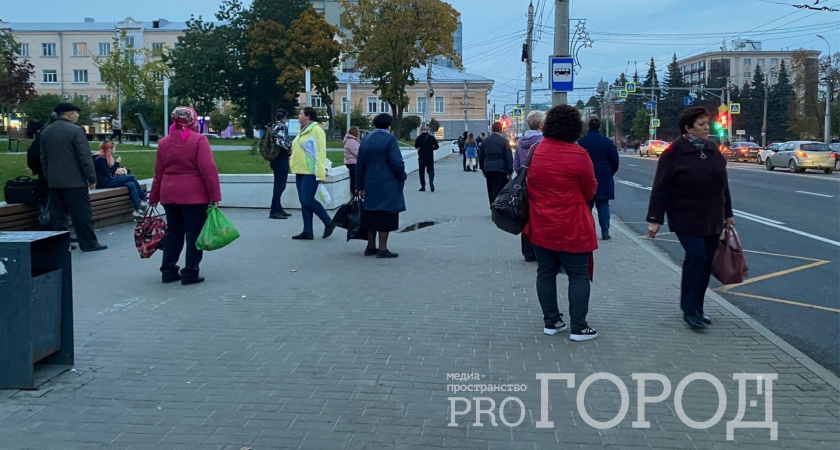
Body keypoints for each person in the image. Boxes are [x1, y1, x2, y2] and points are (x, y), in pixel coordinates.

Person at [647, 106, 735, 330]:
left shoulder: (712, 149)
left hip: (713, 216)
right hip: (685, 216)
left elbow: (723, 185)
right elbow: (660, 188)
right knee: (696, 257)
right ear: (688, 128)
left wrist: (728, 214)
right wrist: (655, 219)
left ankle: (698, 307)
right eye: (701, 124)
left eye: (707, 124)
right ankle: (688, 310)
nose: (707, 128)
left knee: (705, 263)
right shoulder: (673, 153)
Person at [523, 104, 599, 341]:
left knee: (545, 272)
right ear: (576, 127)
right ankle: (579, 327)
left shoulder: (535, 150)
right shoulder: (578, 155)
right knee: (578, 275)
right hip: (572, 225)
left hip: (540, 223)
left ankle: (551, 322)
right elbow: (590, 189)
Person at [149, 106, 221, 285]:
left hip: (169, 193)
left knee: (173, 232)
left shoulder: (164, 142)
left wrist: (153, 197)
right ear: (192, 120)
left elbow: (158, 172)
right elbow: (208, 170)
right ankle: (190, 272)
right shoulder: (199, 140)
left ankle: (168, 271)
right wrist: (214, 196)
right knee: (194, 234)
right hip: (194, 195)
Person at [39, 102, 107, 252]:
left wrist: (49, 176)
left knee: (59, 216)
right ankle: (88, 243)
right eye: (76, 113)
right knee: (82, 214)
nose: (78, 116)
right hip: (75, 182)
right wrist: (92, 177)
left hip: (54, 182)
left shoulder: (46, 132)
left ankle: (62, 245)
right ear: (69, 114)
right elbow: (84, 157)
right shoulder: (76, 131)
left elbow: (43, 158)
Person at [356, 113, 407, 258]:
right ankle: (382, 248)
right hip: (387, 184)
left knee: (371, 214)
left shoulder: (366, 139)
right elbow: (396, 162)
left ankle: (370, 246)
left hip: (369, 183)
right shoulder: (390, 139)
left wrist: (359, 185)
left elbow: (359, 164)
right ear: (389, 125)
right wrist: (402, 176)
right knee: (386, 215)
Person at [290, 106, 335, 240]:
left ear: (307, 117)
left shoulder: (316, 130)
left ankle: (328, 222)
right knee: (303, 201)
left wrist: (320, 173)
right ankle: (307, 230)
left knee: (307, 199)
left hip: (310, 171)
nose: (298, 116)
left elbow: (320, 153)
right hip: (299, 170)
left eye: (301, 114)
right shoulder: (301, 130)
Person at [578, 117, 619, 240]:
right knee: (603, 205)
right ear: (599, 126)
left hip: (586, 177)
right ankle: (605, 232)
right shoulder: (606, 142)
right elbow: (615, 160)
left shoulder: (581, 142)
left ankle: (588, 232)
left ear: (588, 126)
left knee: (587, 206)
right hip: (604, 176)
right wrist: (609, 172)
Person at [514, 111, 546, 262]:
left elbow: (516, 165)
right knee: (540, 218)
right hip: (540, 186)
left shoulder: (521, 141)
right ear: (541, 125)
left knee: (526, 217)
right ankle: (540, 251)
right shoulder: (544, 141)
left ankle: (528, 253)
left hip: (524, 185)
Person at [93, 140, 148, 217]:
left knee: (131, 184)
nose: (114, 150)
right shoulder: (100, 159)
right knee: (131, 177)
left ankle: (137, 209)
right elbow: (109, 174)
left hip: (108, 180)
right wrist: (117, 163)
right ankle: (144, 198)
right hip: (104, 183)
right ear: (109, 149)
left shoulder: (104, 157)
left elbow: (110, 171)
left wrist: (121, 169)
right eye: (114, 148)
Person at [478, 122, 513, 206]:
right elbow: (508, 157)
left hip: (488, 168)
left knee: (490, 188)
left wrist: (483, 169)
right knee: (499, 190)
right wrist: (510, 171)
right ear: (501, 130)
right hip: (501, 169)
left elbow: (481, 156)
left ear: (492, 129)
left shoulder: (485, 141)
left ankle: (492, 205)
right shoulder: (504, 141)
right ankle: (497, 207)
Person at [269, 109, 293, 219]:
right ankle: (274, 210)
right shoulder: (281, 126)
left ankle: (278, 207)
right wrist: (289, 147)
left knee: (277, 184)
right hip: (281, 158)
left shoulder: (273, 125)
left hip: (274, 158)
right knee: (280, 186)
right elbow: (279, 141)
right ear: (285, 116)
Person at [414, 126, 439, 192]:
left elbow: (416, 146)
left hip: (422, 157)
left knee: (421, 172)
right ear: (426, 130)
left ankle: (423, 186)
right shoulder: (431, 137)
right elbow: (437, 146)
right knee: (431, 170)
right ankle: (431, 180)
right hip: (430, 157)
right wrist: (431, 148)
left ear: (421, 131)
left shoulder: (419, 138)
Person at [344, 126, 361, 195]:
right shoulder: (352, 142)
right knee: (354, 179)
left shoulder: (351, 141)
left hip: (351, 162)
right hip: (352, 163)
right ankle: (354, 192)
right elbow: (357, 153)